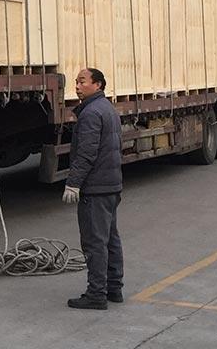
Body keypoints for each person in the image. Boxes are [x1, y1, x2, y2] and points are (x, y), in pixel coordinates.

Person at [63, 68, 124, 310]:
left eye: (82, 82)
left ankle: (96, 294)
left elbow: (86, 153)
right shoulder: (108, 108)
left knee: (94, 242)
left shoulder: (90, 113)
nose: (77, 86)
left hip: (96, 189)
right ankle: (114, 288)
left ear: (97, 85)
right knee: (110, 239)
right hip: (111, 185)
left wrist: (73, 183)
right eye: (76, 82)